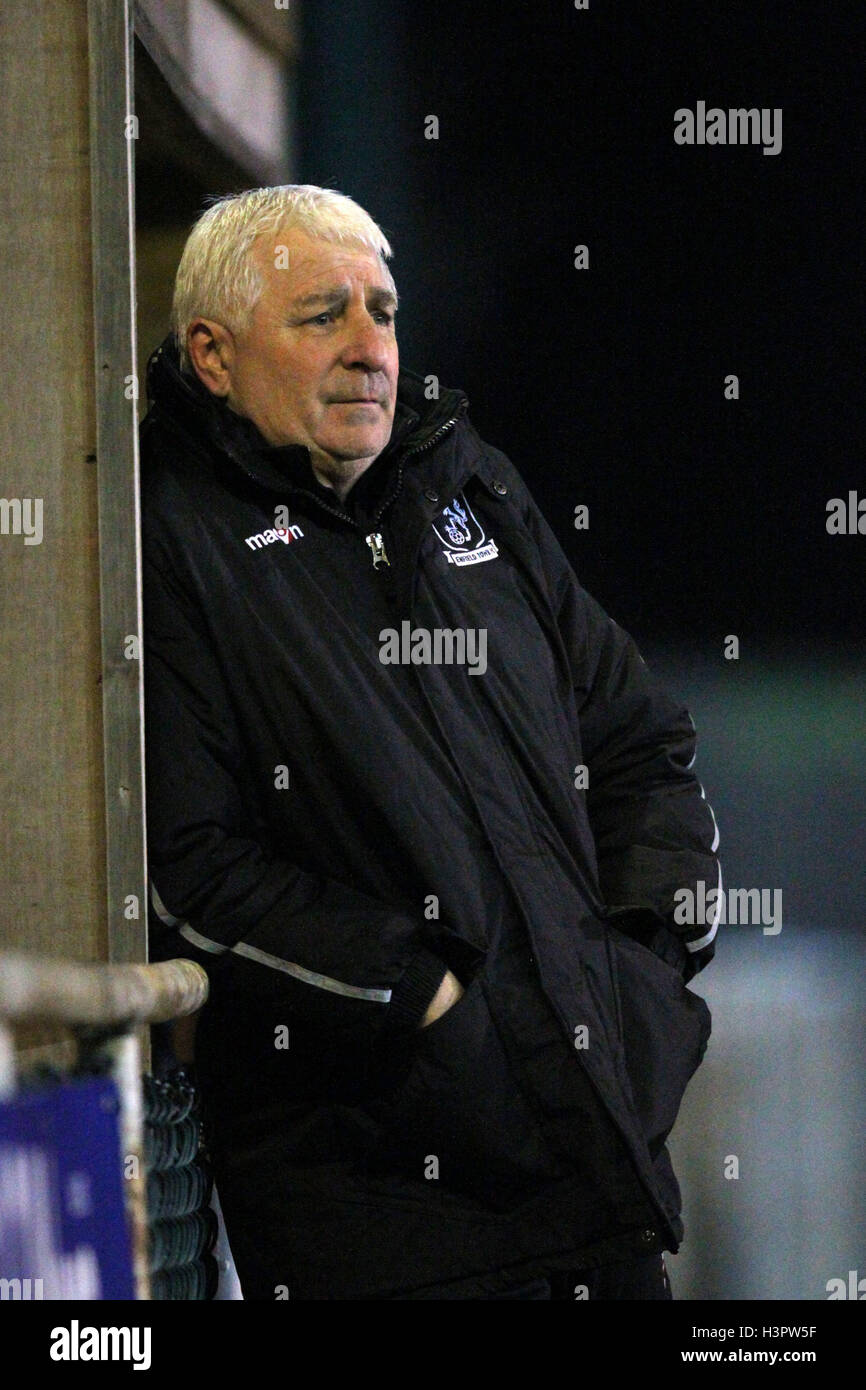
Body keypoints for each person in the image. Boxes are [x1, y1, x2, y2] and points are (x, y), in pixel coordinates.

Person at [141, 184, 721, 1301]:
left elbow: (641, 741)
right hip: (382, 1225)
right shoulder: (161, 537)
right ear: (212, 354)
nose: (371, 348)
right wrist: (430, 1005)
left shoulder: (470, 484)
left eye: (385, 310)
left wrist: (640, 961)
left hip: (596, 1178)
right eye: (323, 315)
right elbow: (191, 868)